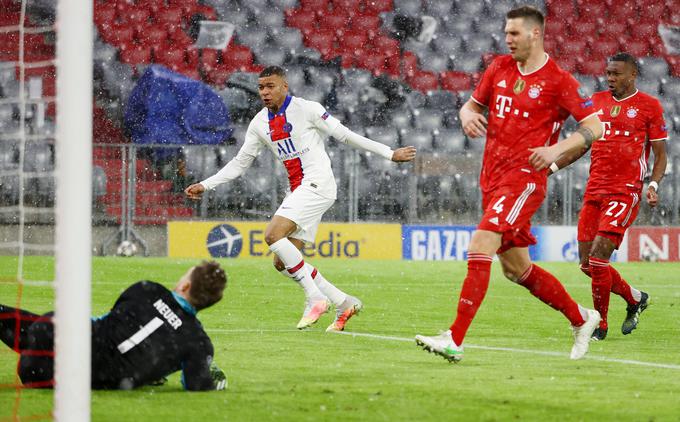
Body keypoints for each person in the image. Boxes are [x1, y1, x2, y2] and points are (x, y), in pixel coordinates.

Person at [415, 6, 603, 362]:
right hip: (492, 177)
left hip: (524, 180)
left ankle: (454, 338)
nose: (507, 39)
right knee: (516, 269)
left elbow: (595, 126)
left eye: (514, 33)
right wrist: (468, 117)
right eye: (506, 33)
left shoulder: (559, 81)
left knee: (481, 242)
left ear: (535, 34)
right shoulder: (499, 67)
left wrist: (556, 149)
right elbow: (470, 107)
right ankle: (582, 318)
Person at [185, 66, 416, 331]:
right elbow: (240, 163)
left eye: (270, 86)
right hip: (298, 190)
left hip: (318, 183)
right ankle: (344, 302)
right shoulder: (259, 123)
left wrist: (389, 153)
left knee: (273, 236)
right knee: (282, 262)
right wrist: (206, 184)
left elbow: (344, 135)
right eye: (261, 87)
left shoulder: (308, 109)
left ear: (285, 86)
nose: (265, 92)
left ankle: (315, 298)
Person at [546, 53, 668, 340]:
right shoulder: (597, 103)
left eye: (616, 74)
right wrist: (550, 167)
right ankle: (635, 297)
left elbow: (661, 155)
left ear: (632, 75)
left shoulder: (649, 106)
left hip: (624, 192)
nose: (610, 78)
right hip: (595, 190)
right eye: (608, 73)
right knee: (587, 265)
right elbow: (581, 146)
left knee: (599, 260)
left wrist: (653, 185)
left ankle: (599, 325)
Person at [0, 261, 228, 391]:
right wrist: (214, 376)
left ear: (185, 285)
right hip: (53, 379)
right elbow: (197, 385)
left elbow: (112, 324)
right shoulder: (199, 343)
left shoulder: (148, 289)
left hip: (46, 340)